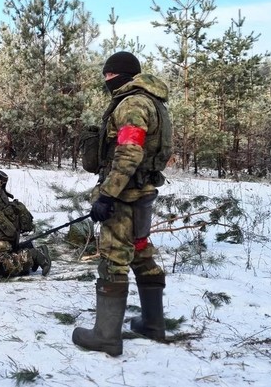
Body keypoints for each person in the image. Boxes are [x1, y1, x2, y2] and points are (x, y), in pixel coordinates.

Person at [72, 51, 172, 356]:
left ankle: (106, 336)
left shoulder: (132, 104)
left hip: (125, 196)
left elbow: (129, 152)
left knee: (114, 259)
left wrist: (107, 194)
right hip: (143, 193)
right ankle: (153, 324)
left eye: (107, 75)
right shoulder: (154, 102)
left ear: (116, 74)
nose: (105, 81)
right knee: (140, 251)